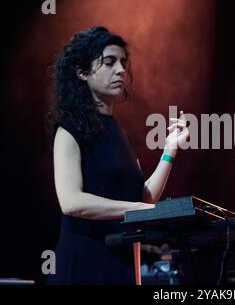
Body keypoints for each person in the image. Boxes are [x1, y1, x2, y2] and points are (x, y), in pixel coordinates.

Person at [46, 26, 189, 284]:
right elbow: (71, 202)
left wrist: (169, 151)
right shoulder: (69, 130)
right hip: (84, 264)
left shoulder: (119, 134)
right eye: (109, 62)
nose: (121, 70)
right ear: (81, 72)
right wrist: (135, 209)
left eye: (123, 62)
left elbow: (143, 197)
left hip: (120, 263)